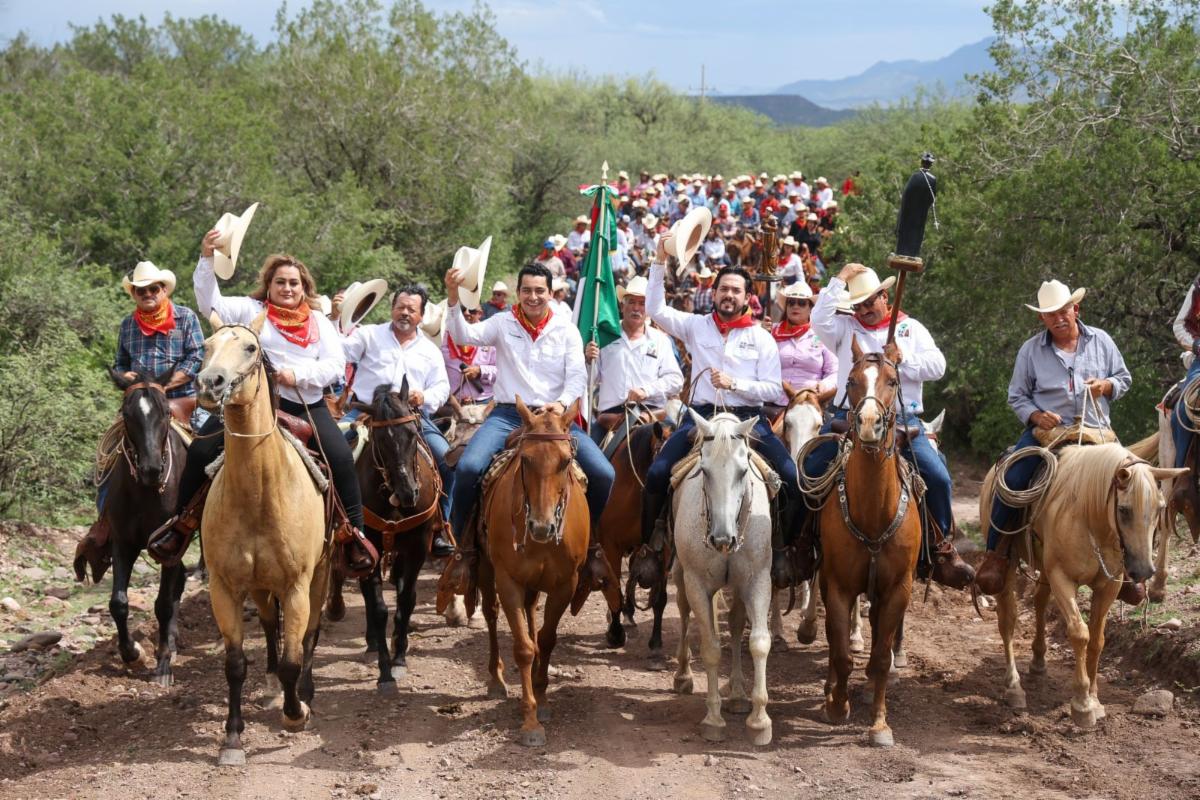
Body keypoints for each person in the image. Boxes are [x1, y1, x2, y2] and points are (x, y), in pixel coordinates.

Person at [148, 231, 374, 573]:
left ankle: (351, 534)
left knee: (341, 458)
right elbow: (209, 302)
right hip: (247, 405)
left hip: (303, 405)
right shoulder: (249, 309)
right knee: (200, 452)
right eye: (280, 282)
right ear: (268, 285)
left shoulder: (317, 322)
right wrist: (207, 259)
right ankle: (181, 527)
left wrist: (293, 375)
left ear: (304, 288)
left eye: (294, 283)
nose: (287, 288)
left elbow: (333, 366)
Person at [630, 236, 802, 587]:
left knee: (790, 477)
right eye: (723, 289)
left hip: (747, 421)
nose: (729, 295)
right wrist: (660, 261)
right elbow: (656, 309)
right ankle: (651, 545)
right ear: (714, 292)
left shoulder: (762, 338)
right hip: (702, 419)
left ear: (746, 298)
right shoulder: (696, 326)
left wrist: (735, 383)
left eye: (736, 291)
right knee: (658, 472)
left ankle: (784, 547)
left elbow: (773, 390)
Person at [797, 263, 974, 589]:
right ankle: (800, 546)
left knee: (937, 475)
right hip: (847, 418)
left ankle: (942, 549)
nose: (864, 310)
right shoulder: (842, 328)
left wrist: (903, 358)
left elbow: (938, 366)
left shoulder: (912, 328)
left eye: (870, 302)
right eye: (858, 304)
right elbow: (817, 319)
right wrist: (840, 278)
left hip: (903, 420)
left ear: (884, 296)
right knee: (808, 470)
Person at [442, 261, 614, 585]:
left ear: (550, 293)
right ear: (518, 293)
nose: (533, 296)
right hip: (510, 416)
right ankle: (462, 550)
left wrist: (562, 404)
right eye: (526, 290)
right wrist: (453, 297)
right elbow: (463, 333)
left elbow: (577, 374)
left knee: (604, 474)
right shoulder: (502, 322)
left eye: (539, 291)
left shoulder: (566, 329)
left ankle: (590, 545)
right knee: (467, 468)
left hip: (555, 422)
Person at [976, 280, 1135, 598]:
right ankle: (997, 554)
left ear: (1075, 309)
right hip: (1048, 435)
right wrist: (1036, 415)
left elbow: (1124, 378)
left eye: (1063, 311)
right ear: (1042, 319)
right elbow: (1017, 396)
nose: (1059, 318)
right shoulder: (1031, 350)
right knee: (1012, 481)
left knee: (1135, 484)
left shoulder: (1101, 341)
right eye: (1051, 314)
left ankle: (1131, 566)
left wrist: (1105, 386)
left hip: (1097, 434)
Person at [77, 261, 206, 580]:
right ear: (134, 293)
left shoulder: (186, 318)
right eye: (141, 290)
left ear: (164, 290)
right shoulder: (128, 325)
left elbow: (197, 357)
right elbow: (120, 362)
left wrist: (167, 383)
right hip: (139, 400)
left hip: (182, 398)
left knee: (210, 449)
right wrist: (128, 377)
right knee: (107, 454)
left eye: (153, 289)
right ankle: (105, 522)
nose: (147, 294)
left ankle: (209, 521)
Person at [340, 284, 455, 557]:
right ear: (392, 308)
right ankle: (336, 524)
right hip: (366, 414)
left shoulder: (430, 350)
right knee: (329, 454)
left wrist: (422, 395)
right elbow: (339, 353)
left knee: (447, 461)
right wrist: (338, 318)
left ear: (422, 315)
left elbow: (442, 388)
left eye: (411, 309)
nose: (404, 313)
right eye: (400, 307)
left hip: (410, 417)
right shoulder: (368, 335)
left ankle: (440, 526)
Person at [584, 276, 684, 445]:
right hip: (611, 419)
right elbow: (589, 380)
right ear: (622, 305)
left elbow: (676, 380)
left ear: (649, 309)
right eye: (631, 302)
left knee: (673, 464)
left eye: (642, 303)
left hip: (651, 416)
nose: (636, 308)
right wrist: (587, 361)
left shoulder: (661, 340)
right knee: (586, 466)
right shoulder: (604, 338)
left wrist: (646, 390)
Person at [766, 282, 837, 413]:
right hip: (774, 402)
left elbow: (834, 372)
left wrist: (823, 385)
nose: (795, 306)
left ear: (810, 308)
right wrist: (762, 335)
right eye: (791, 302)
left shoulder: (822, 334)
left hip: (810, 403)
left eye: (801, 303)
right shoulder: (771, 331)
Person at [443, 305, 497, 403]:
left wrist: (480, 371)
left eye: (472, 310)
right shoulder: (443, 335)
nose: (466, 313)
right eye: (462, 309)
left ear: (480, 313)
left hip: (483, 402)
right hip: (451, 403)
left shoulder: (491, 336)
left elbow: (502, 372)